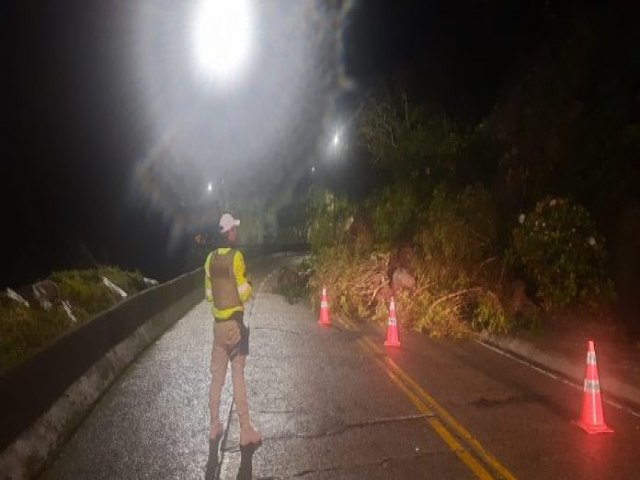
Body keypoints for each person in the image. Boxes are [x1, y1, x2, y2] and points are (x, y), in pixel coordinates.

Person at [204, 213, 262, 448]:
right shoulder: (236, 258)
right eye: (234, 230)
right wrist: (249, 284)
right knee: (238, 375)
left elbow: (209, 296)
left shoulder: (209, 260)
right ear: (228, 233)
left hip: (217, 328)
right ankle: (245, 430)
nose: (236, 233)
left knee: (216, 379)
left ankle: (214, 426)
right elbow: (243, 293)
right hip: (235, 327)